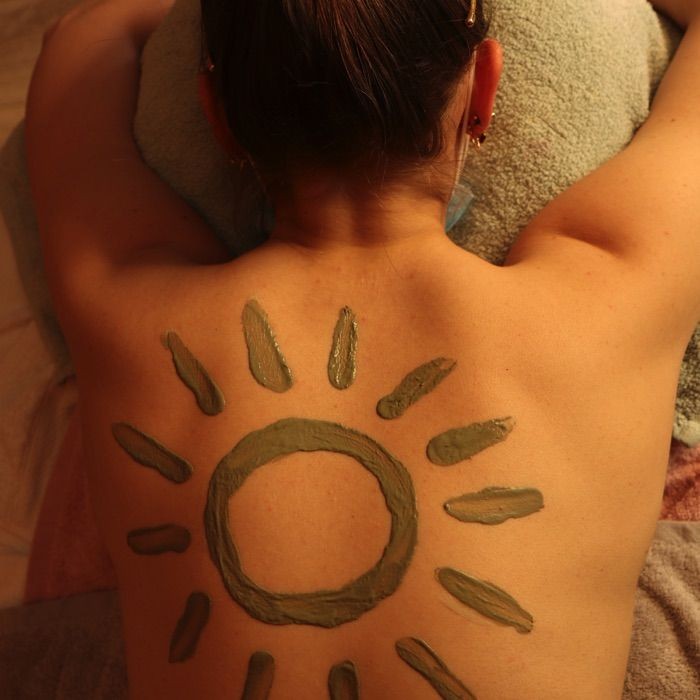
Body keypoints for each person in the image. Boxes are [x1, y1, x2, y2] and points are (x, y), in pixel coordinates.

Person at [25, 0, 700, 697]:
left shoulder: (127, 307)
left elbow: (82, 36)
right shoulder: (604, 294)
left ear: (215, 114)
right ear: (484, 92)